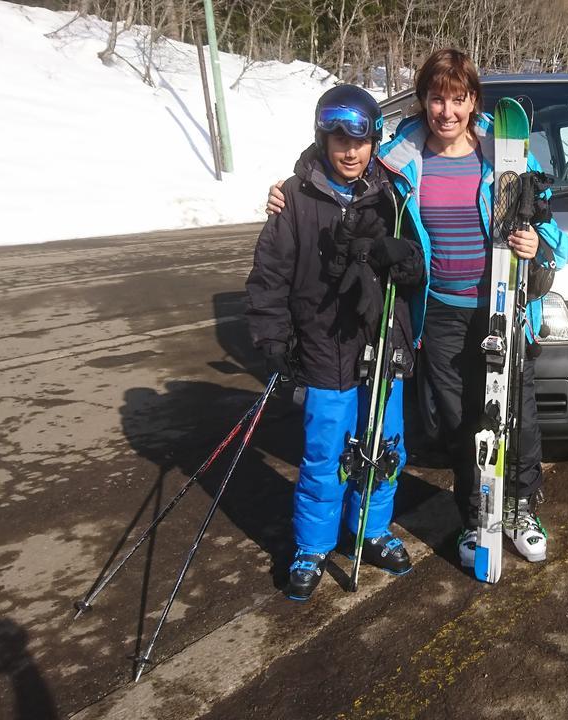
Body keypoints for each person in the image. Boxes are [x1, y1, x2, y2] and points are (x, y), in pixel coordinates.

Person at [267, 49, 568, 571]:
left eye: (458, 98)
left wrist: (537, 244)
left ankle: (522, 510)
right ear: (423, 101)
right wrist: (289, 189)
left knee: (516, 416)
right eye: (437, 98)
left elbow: (552, 234)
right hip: (440, 312)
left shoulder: (507, 153)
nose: (446, 111)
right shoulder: (401, 157)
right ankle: (477, 515)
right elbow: (344, 159)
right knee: (459, 422)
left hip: (501, 303)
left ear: (474, 102)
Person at [246, 84, 424, 601]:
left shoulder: (392, 193)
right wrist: (273, 340)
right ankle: (313, 545)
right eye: (337, 138)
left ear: (374, 140)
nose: (350, 150)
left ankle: (371, 529)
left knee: (385, 446)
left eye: (360, 139)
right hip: (325, 348)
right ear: (322, 138)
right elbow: (269, 278)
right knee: (326, 451)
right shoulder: (296, 199)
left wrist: (404, 259)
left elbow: (417, 265)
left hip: (381, 341)